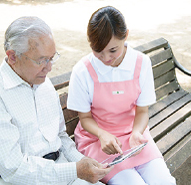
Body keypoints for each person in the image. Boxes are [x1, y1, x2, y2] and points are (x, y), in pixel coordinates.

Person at [0, 16, 112, 185]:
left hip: (61, 172)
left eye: (52, 58)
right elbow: (15, 170)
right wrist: (76, 170)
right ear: (12, 56)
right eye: (41, 60)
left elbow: (60, 137)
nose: (49, 67)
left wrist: (86, 164)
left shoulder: (43, 82)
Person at [67, 6, 176, 185]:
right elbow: (85, 118)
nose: (105, 58)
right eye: (98, 51)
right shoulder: (82, 70)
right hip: (97, 141)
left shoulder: (141, 63)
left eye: (112, 50)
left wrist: (136, 132)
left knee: (165, 182)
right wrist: (102, 135)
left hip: (133, 137)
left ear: (126, 36)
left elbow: (142, 112)